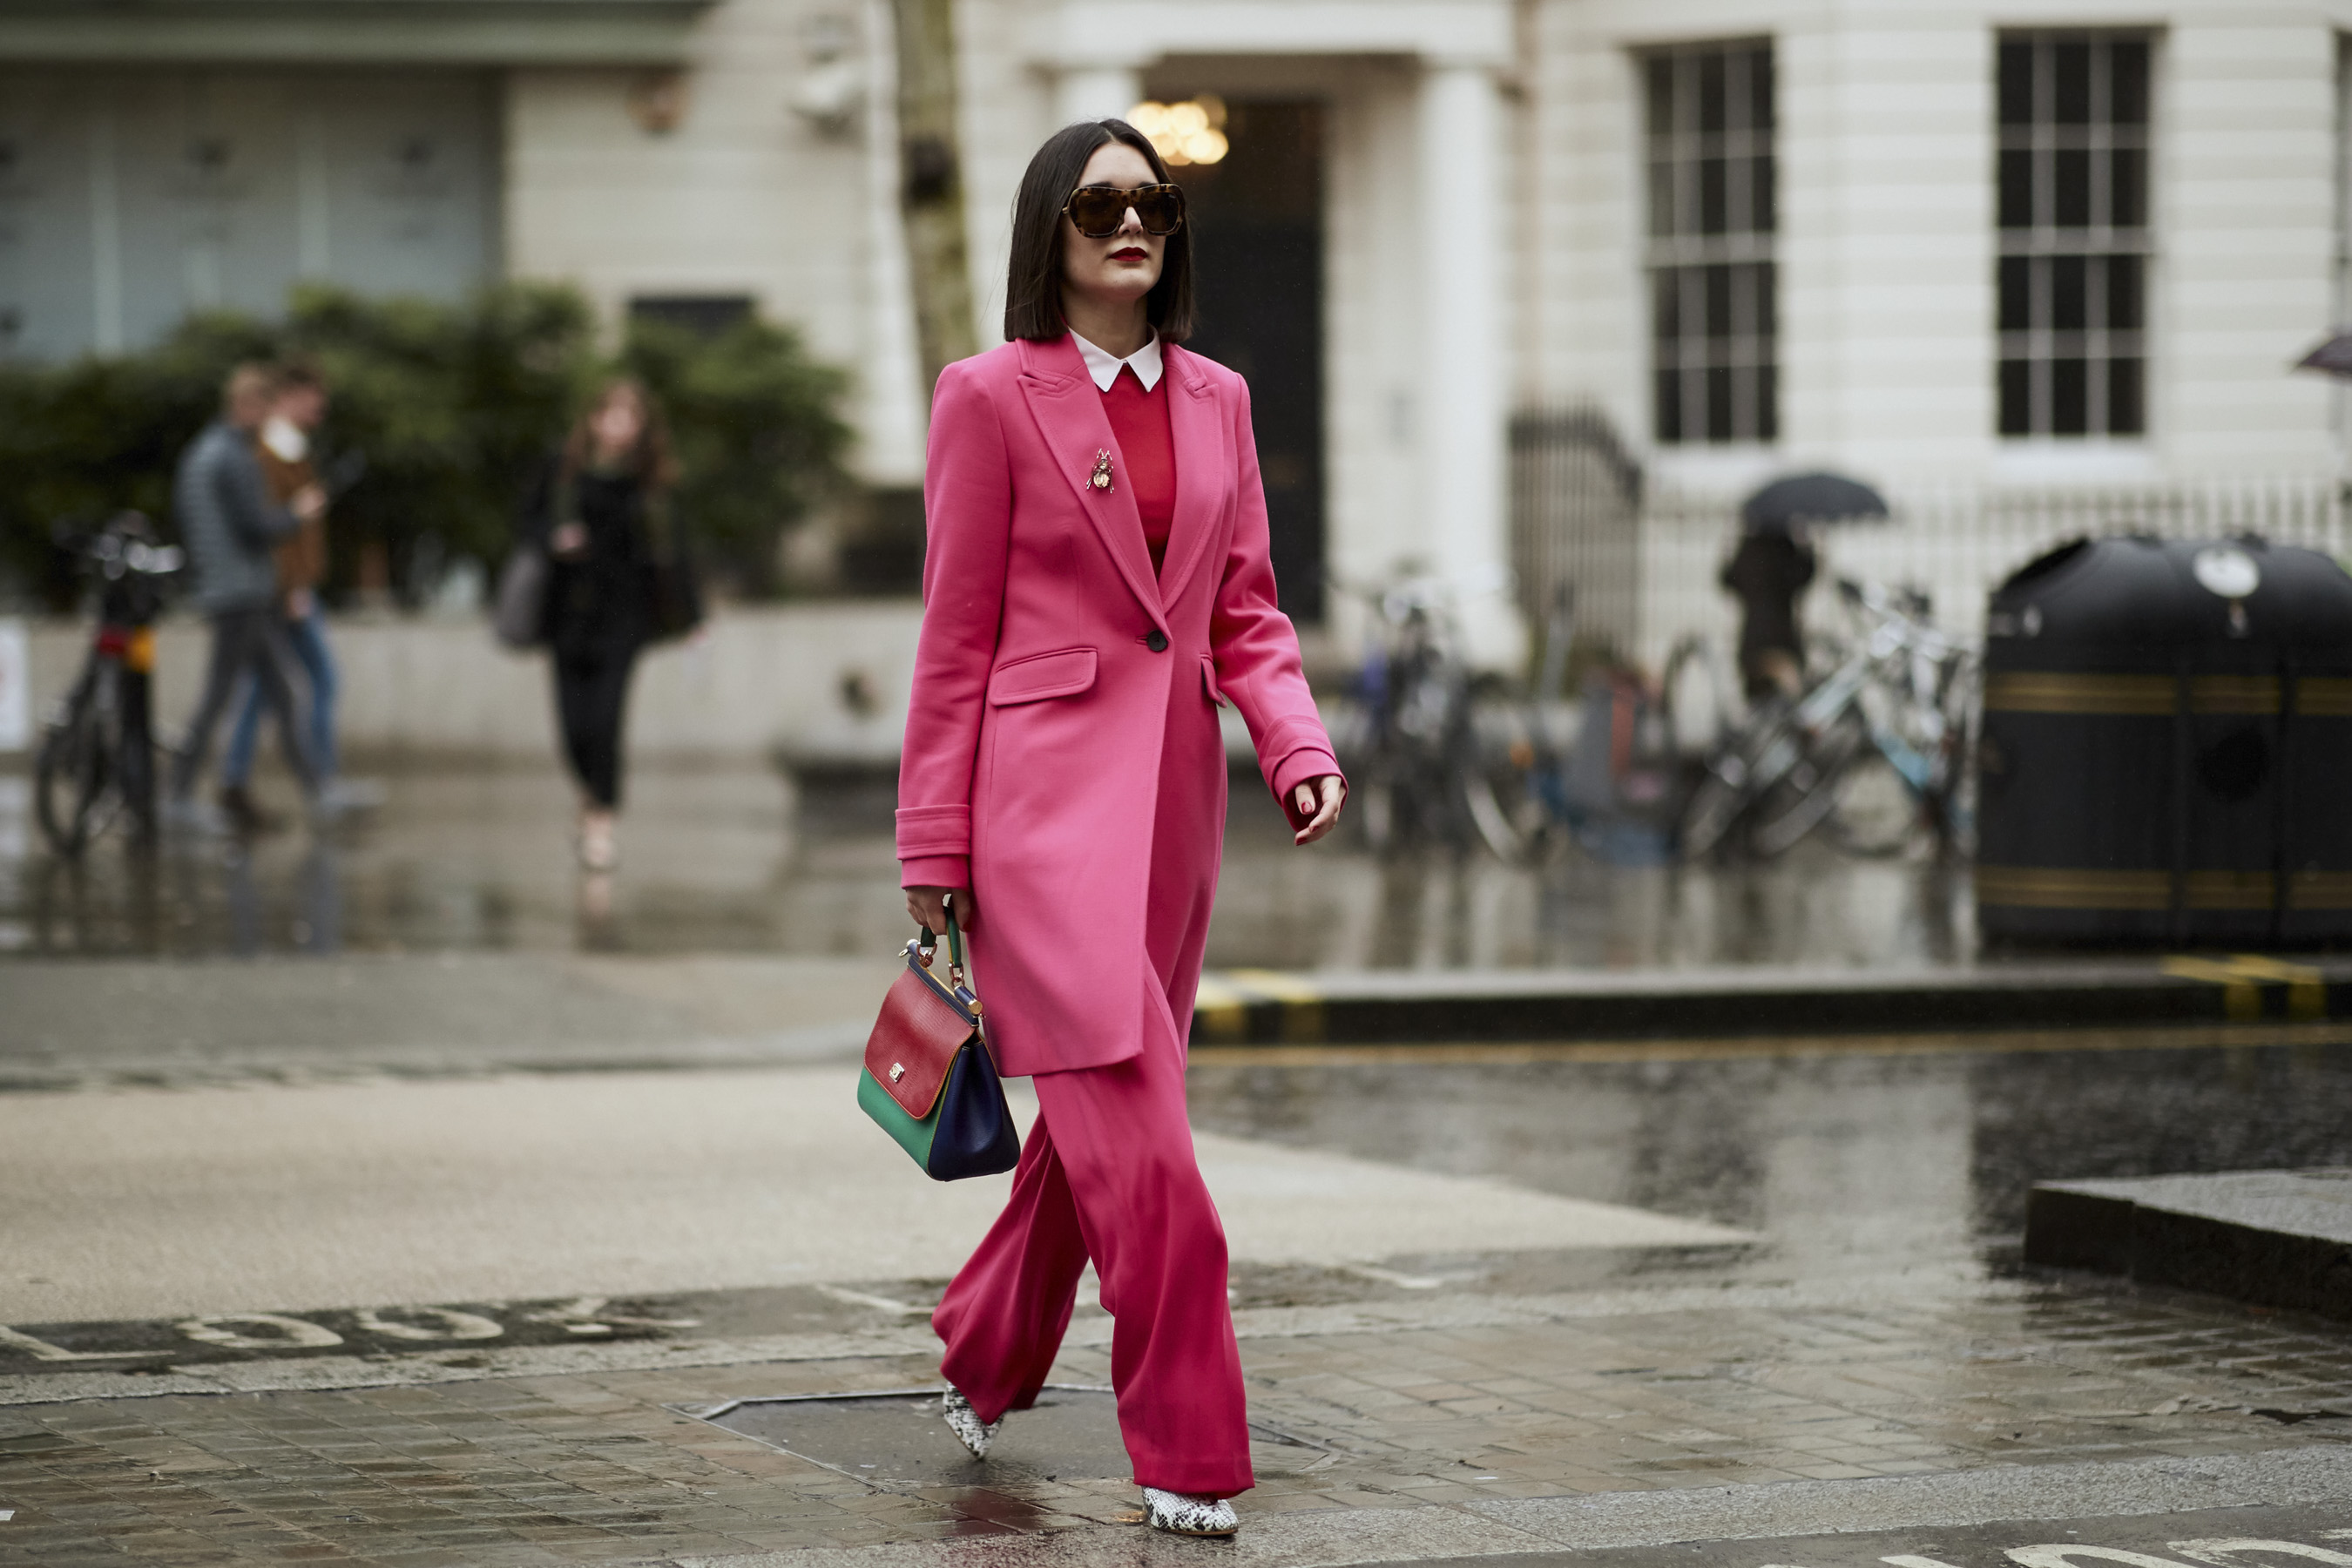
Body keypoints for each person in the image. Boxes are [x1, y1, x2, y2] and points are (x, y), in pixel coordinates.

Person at [896, 119, 1346, 1540]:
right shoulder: (986, 395)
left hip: (1173, 820)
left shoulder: (1218, 396)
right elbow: (954, 637)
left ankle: (979, 1346)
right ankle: (1189, 1453)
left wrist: (1295, 742)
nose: (1131, 224)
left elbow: (1247, 609)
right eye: (1099, 206)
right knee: (1156, 1167)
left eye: (1153, 202)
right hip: (1036, 828)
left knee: (1102, 1129)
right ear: (1052, 230)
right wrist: (933, 853)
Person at [519, 378, 677, 871]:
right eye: (611, 415)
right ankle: (590, 798)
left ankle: (601, 824)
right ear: (593, 420)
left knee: (607, 723)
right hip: (567, 616)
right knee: (573, 730)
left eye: (630, 417)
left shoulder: (649, 481)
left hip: (623, 620)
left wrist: (689, 618)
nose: (619, 427)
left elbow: (673, 553)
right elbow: (526, 524)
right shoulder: (562, 472)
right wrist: (554, 539)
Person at [166, 363, 323, 828]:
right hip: (241, 592)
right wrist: (298, 513)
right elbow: (256, 527)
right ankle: (178, 794)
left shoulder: (202, 452)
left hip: (226, 588)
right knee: (227, 696)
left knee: (278, 690)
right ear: (250, 405)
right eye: (268, 407)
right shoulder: (233, 457)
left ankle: (313, 791)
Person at [219, 360, 363, 831]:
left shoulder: (288, 449)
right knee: (317, 681)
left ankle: (238, 779)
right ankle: (321, 783)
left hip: (285, 591)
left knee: (264, 690)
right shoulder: (270, 453)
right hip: (285, 594)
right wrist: (292, 587)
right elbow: (272, 529)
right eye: (311, 395)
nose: (319, 405)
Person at [1720, 522, 1817, 702]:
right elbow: (1804, 576)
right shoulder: (1785, 549)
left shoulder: (1747, 550)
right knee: (1793, 701)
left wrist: (1727, 549)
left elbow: (1727, 580)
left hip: (1751, 639)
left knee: (1757, 699)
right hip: (1781, 638)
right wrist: (1807, 547)